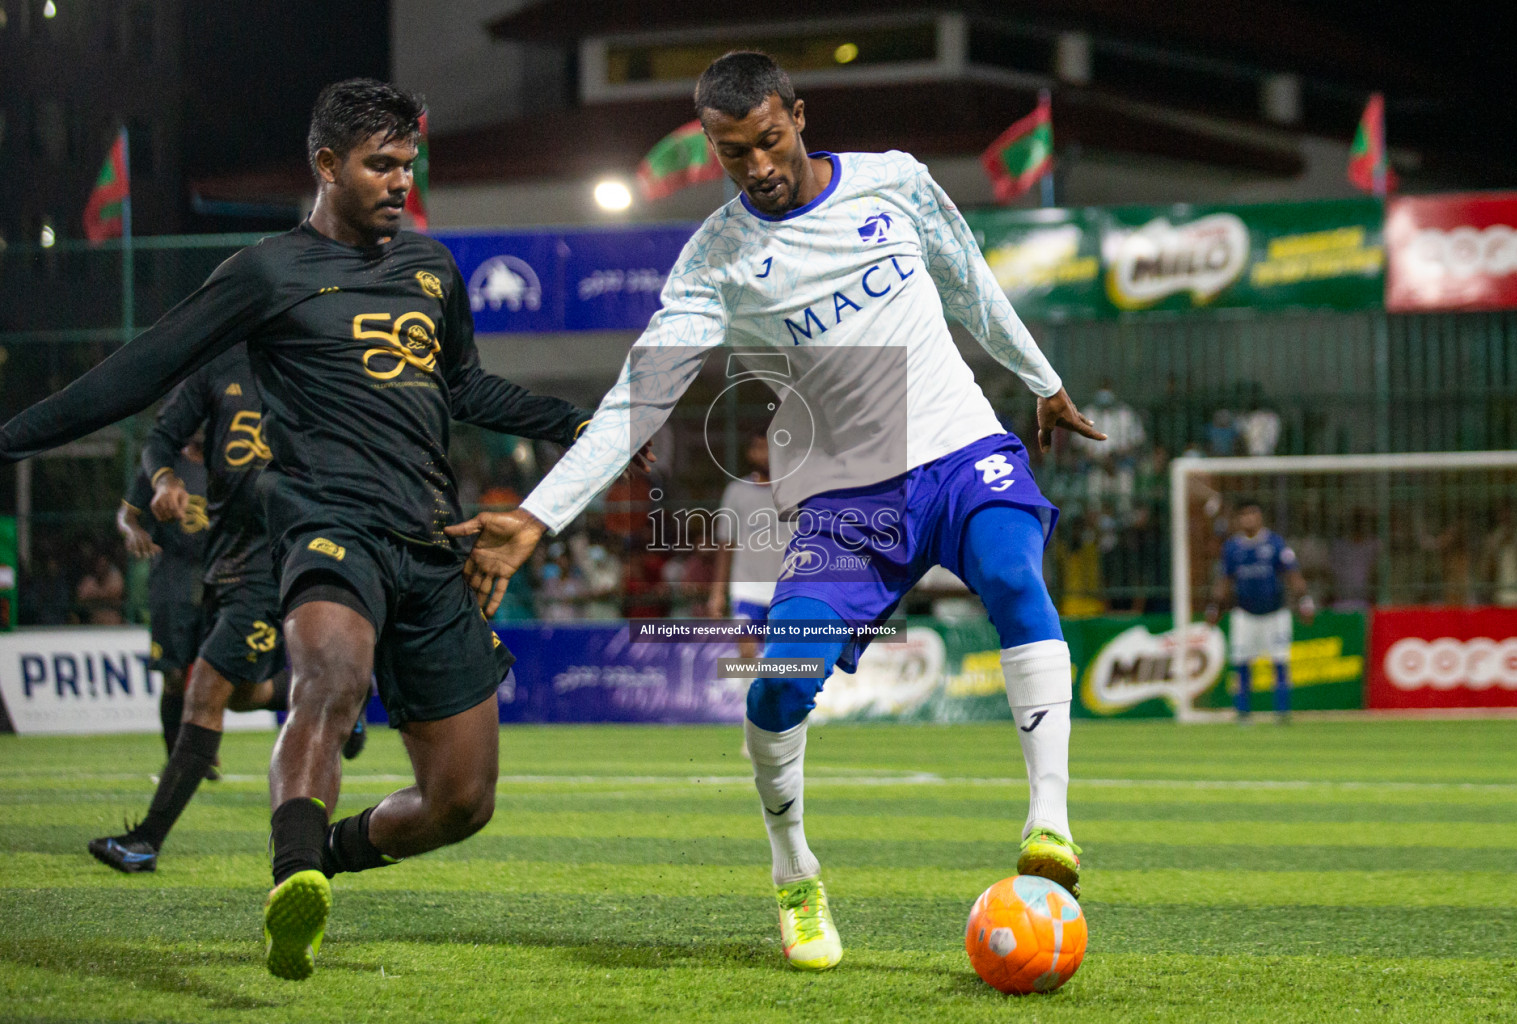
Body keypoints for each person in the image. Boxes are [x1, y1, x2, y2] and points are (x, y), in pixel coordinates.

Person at [445, 52, 1105, 971]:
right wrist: (540, 513)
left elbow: (969, 284)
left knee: (1009, 574)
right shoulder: (715, 260)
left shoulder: (895, 182)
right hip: (845, 499)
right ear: (712, 150)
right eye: (731, 153)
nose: (756, 166)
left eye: (767, 140)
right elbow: (639, 398)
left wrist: (1042, 381)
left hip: (960, 452)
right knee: (778, 684)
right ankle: (794, 873)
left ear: (798, 116)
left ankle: (1050, 826)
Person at [0, 79, 631, 980]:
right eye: (379, 165)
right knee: (330, 679)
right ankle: (290, 880)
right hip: (326, 526)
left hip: (430, 542)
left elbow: (463, 389)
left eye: (406, 164)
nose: (398, 182)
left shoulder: (433, 269)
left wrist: (582, 425)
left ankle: (320, 859)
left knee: (462, 800)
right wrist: (9, 440)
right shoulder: (266, 272)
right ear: (326, 165)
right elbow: (134, 374)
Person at [89, 344, 368, 876]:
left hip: (274, 565)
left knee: (202, 693)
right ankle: (345, 698)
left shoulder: (317, 360)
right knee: (243, 695)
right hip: (222, 569)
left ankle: (145, 841)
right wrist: (165, 480)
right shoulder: (217, 368)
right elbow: (159, 441)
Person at [118, 438, 208, 762]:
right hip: (172, 575)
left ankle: (202, 746)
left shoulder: (230, 460)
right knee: (173, 676)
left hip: (218, 575)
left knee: (212, 673)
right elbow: (126, 515)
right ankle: (177, 759)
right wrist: (133, 531)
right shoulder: (162, 467)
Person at [1207, 501, 1314, 721]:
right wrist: (1215, 605)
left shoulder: (1275, 543)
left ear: (1260, 517)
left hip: (1275, 612)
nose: (1248, 519)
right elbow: (1225, 579)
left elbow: (1292, 574)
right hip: (1244, 613)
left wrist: (1304, 600)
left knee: (1280, 661)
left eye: (1252, 514)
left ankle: (1282, 713)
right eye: (1244, 515)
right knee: (1241, 662)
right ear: (1238, 519)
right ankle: (1243, 713)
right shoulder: (1232, 547)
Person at [706, 434, 789, 657]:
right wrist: (717, 593)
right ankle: (747, 693)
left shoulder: (794, 491)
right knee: (747, 654)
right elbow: (726, 544)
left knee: (785, 658)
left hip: (785, 590)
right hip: (747, 589)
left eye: (770, 448)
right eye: (759, 448)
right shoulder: (736, 491)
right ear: (749, 453)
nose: (765, 455)